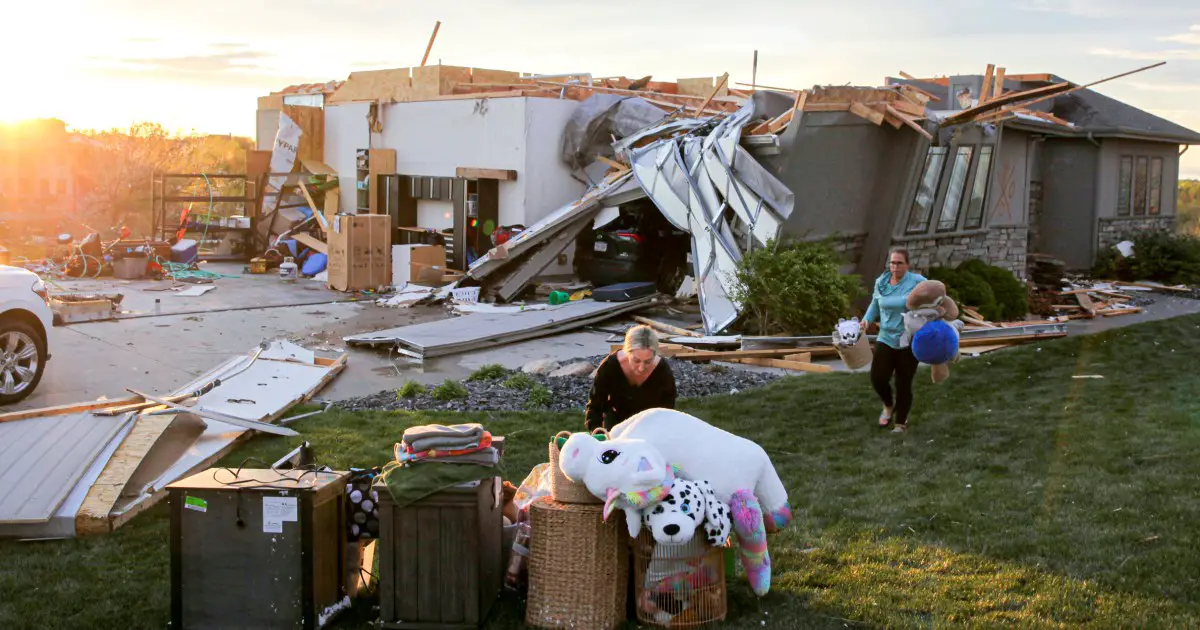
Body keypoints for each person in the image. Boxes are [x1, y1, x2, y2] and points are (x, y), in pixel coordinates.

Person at [861, 248, 926, 433]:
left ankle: (900, 424)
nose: (894, 266)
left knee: (903, 382)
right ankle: (889, 404)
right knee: (878, 378)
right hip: (886, 338)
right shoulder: (881, 282)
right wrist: (866, 320)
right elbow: (875, 304)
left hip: (909, 339)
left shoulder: (917, 282)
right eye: (892, 262)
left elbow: (935, 296)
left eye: (899, 263)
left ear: (907, 265)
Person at [585, 325, 677, 431]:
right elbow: (595, 406)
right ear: (627, 353)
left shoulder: (662, 372)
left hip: (649, 427)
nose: (641, 368)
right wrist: (597, 433)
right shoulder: (611, 366)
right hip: (615, 425)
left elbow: (668, 413)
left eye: (648, 361)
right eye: (636, 360)